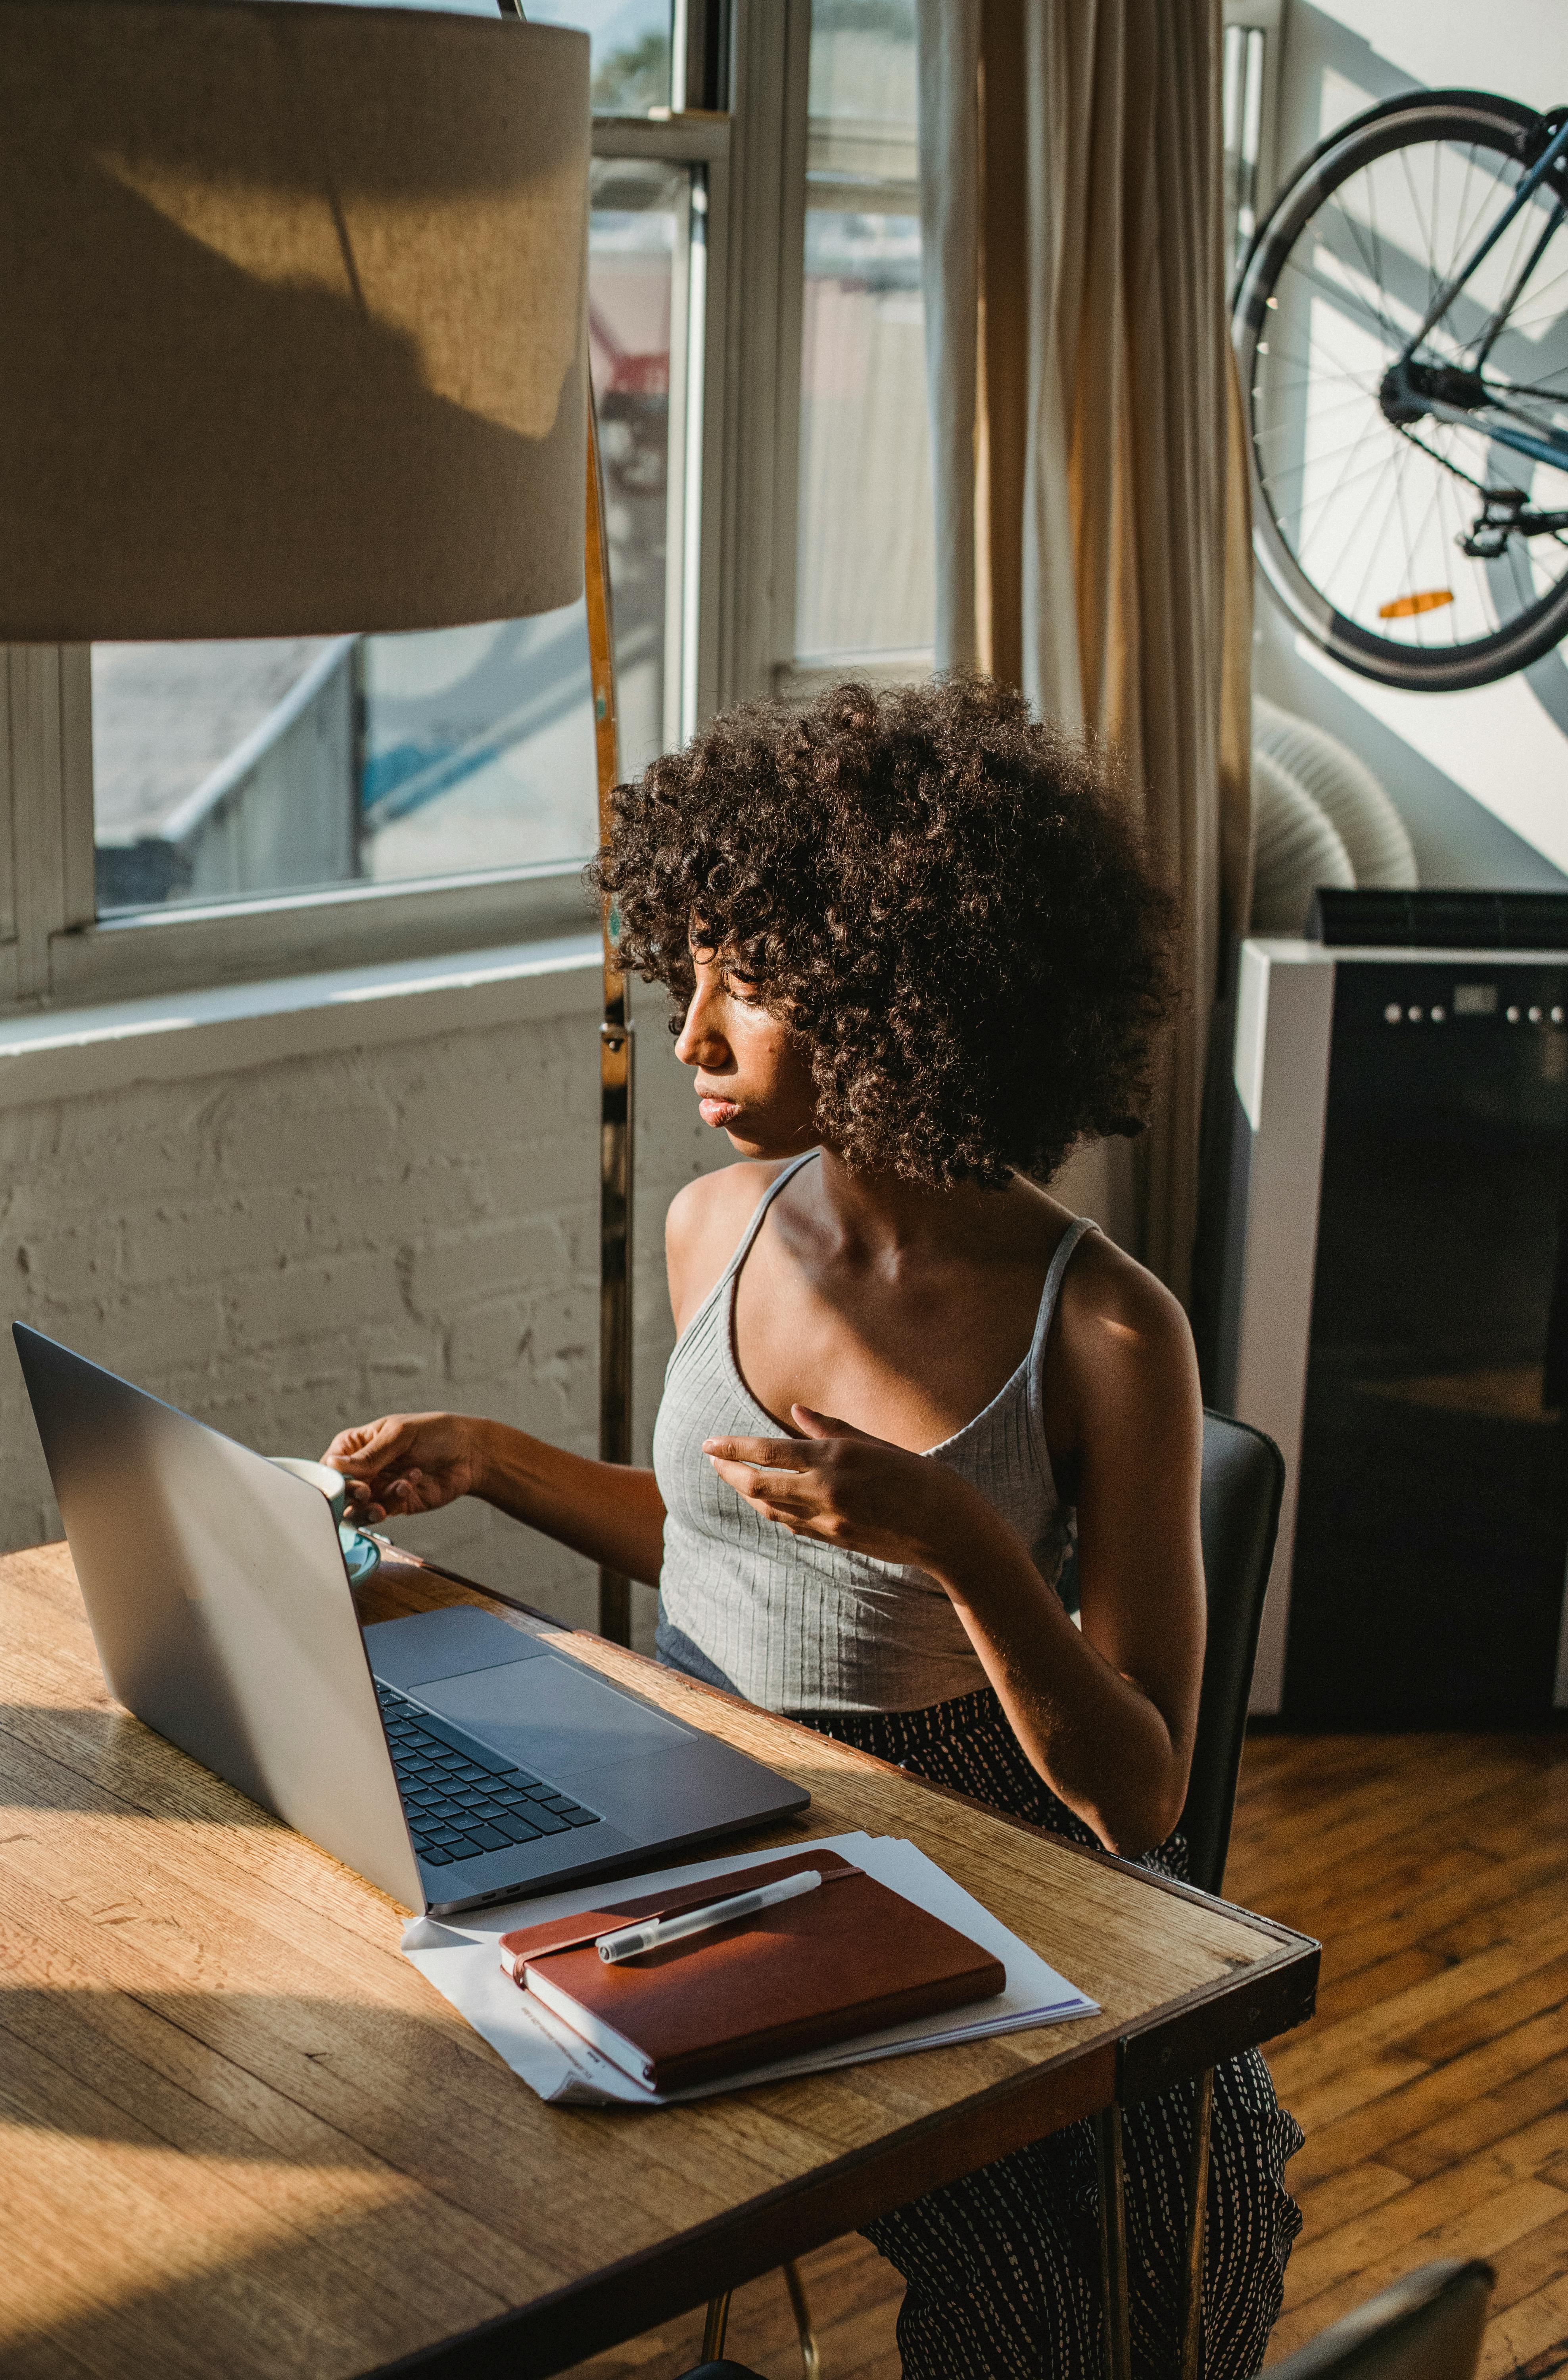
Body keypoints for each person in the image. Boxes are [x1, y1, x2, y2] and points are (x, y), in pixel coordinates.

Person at [324, 677, 1301, 2380]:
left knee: (1192, 2182)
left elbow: (1137, 1795)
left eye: (750, 989)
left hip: (984, 1832)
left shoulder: (1105, 1328)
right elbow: (722, 1553)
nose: (689, 1035)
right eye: (685, 972)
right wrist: (492, 1457)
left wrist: (962, 1544)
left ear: (903, 999)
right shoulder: (717, 1223)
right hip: (731, 1810)